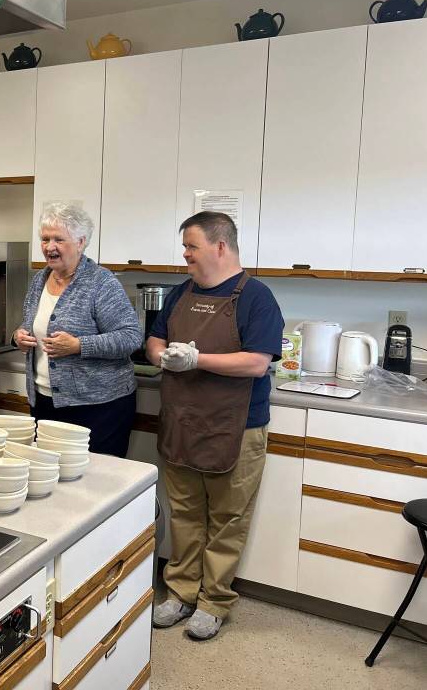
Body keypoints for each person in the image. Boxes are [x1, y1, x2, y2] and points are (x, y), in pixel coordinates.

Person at [145, 211, 283, 641]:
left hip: (235, 428)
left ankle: (214, 601)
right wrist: (161, 356)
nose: (185, 255)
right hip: (182, 421)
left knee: (227, 519)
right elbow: (154, 339)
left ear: (220, 247)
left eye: (191, 246)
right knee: (185, 514)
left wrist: (196, 359)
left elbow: (257, 362)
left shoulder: (257, 298)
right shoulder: (179, 293)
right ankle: (181, 592)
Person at [14, 203, 141, 456]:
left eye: (59, 239)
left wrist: (79, 345)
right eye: (45, 239)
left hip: (98, 407)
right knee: (53, 480)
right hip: (44, 401)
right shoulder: (40, 279)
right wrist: (19, 336)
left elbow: (131, 336)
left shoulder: (101, 282)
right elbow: (32, 325)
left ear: (81, 242)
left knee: (95, 485)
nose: (50, 247)